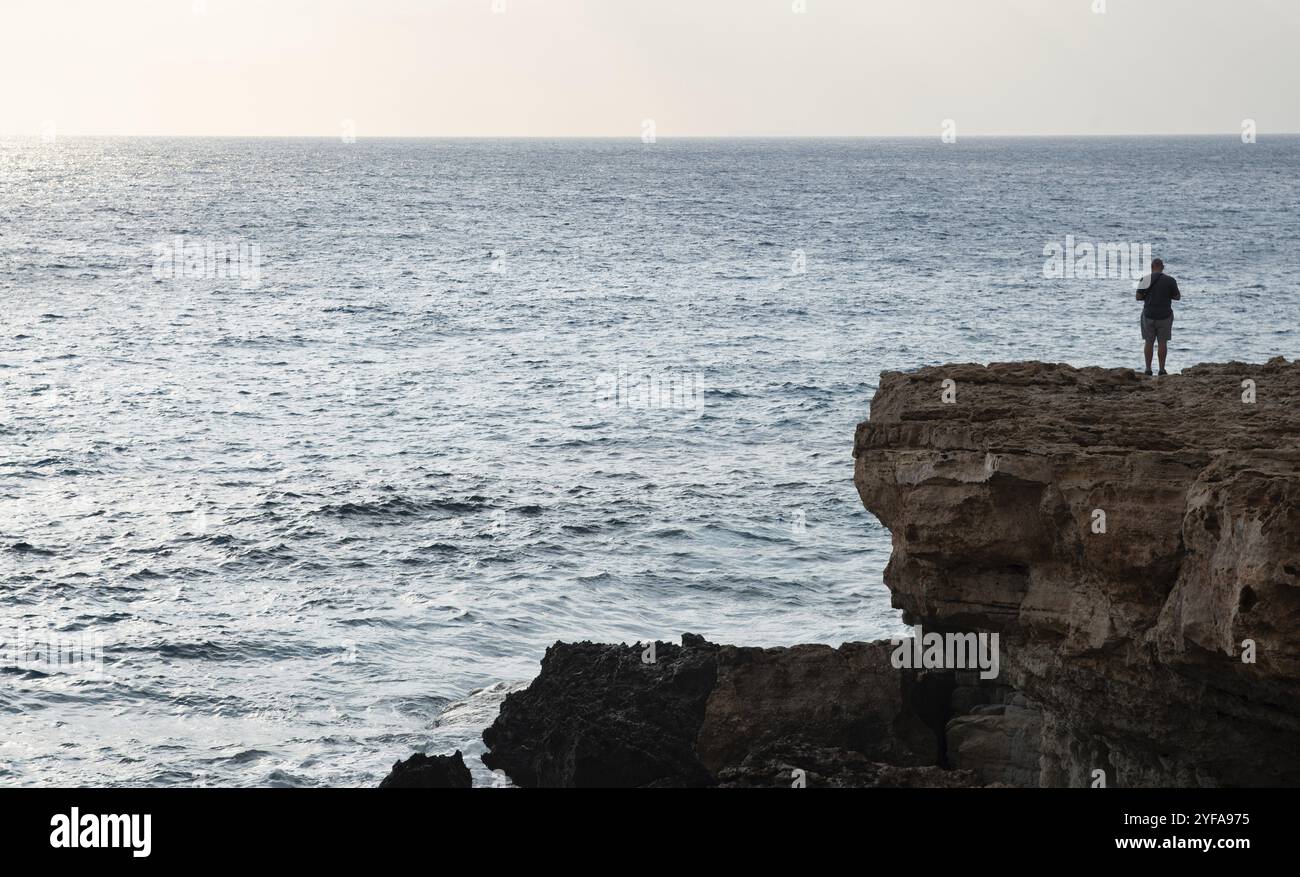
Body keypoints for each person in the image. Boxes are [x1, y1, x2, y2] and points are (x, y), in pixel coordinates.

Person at [1136, 258, 1181, 376]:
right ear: (1163, 267)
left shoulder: (1145, 279)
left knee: (1148, 342)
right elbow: (1177, 297)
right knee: (1162, 342)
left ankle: (1148, 369)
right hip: (1165, 315)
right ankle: (1161, 369)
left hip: (1148, 315)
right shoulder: (1170, 280)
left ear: (1151, 267)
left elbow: (1138, 297)